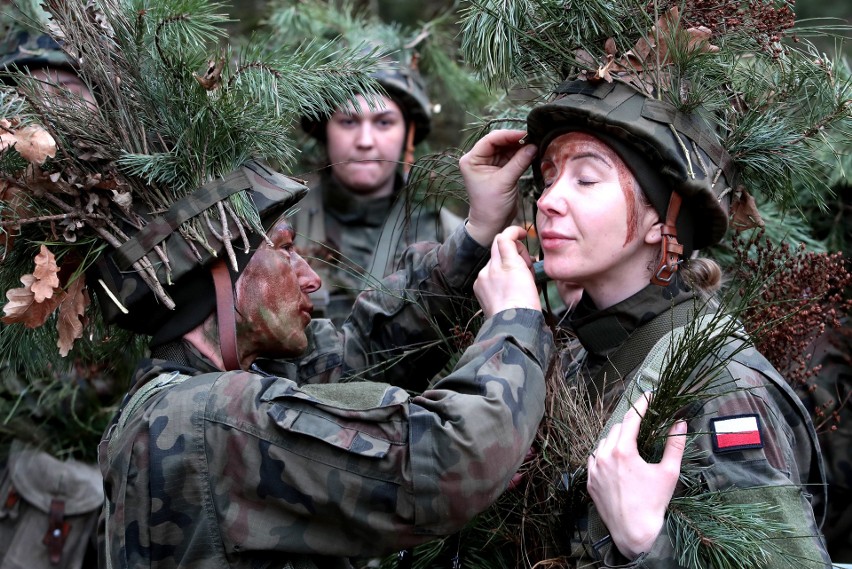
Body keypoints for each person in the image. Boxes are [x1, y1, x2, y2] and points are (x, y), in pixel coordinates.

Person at [92, 127, 551, 567]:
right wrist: (514, 321)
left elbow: (360, 357)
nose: (310, 279)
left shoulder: (180, 399)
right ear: (222, 272)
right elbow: (449, 460)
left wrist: (477, 231)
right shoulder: (216, 416)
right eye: (286, 251)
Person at [470, 78, 833, 568]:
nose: (548, 200)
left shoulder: (714, 380)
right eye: (549, 177)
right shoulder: (578, 353)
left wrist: (645, 543)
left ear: (663, 222)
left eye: (586, 180)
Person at [295, 54, 464, 325]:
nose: (365, 141)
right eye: (348, 122)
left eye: (384, 122)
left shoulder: (450, 238)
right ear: (325, 130)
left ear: (408, 134)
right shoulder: (277, 230)